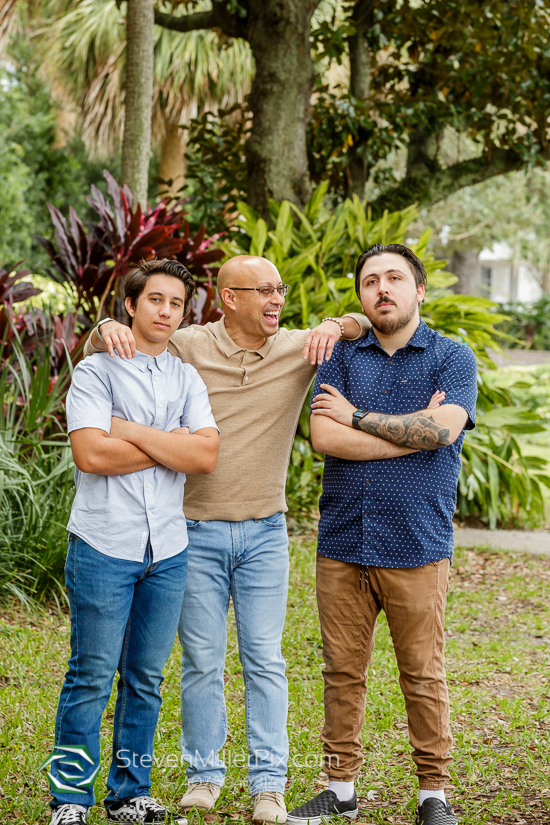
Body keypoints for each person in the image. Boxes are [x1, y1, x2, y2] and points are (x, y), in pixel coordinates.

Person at [84, 254, 371, 824]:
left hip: (265, 530)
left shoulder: (298, 347)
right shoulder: (188, 345)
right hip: (193, 530)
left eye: (281, 289)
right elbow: (111, 350)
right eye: (263, 290)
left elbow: (360, 321)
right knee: (202, 661)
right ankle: (204, 776)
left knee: (265, 659)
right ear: (229, 298)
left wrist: (336, 326)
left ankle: (269, 785)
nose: (277, 299)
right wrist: (103, 327)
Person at [286, 244, 478, 825]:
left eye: (395, 278)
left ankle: (432, 794)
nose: (382, 289)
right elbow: (325, 438)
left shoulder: (452, 357)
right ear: (362, 296)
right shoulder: (342, 357)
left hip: (417, 544)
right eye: (371, 281)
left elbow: (443, 431)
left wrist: (360, 419)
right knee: (342, 671)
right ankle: (339, 786)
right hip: (343, 542)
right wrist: (408, 434)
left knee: (422, 672)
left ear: (419, 290)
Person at [46, 259, 219, 825]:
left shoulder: (186, 378)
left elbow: (205, 456)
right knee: (91, 675)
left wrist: (130, 430)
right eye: (155, 301)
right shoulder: (96, 373)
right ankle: (70, 800)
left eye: (176, 303)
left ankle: (128, 792)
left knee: (145, 677)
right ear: (131, 305)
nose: (166, 311)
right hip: (103, 542)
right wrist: (171, 442)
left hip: (166, 549)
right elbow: (91, 454)